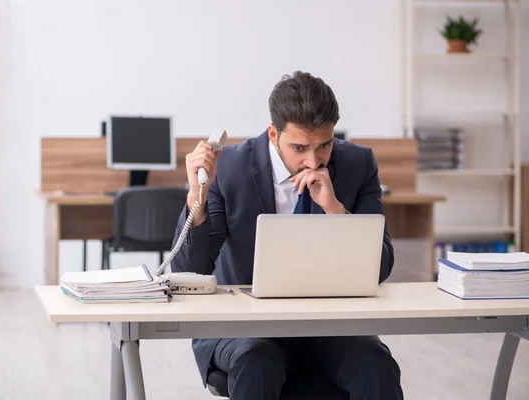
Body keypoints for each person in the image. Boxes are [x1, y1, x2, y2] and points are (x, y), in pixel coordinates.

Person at [170, 71, 403, 400]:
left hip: (329, 327)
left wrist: (335, 210)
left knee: (376, 365)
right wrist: (198, 196)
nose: (313, 160)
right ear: (272, 134)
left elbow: (382, 267)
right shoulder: (231, 168)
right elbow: (190, 269)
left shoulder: (358, 164)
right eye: (299, 147)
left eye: (324, 145)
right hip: (246, 330)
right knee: (256, 362)